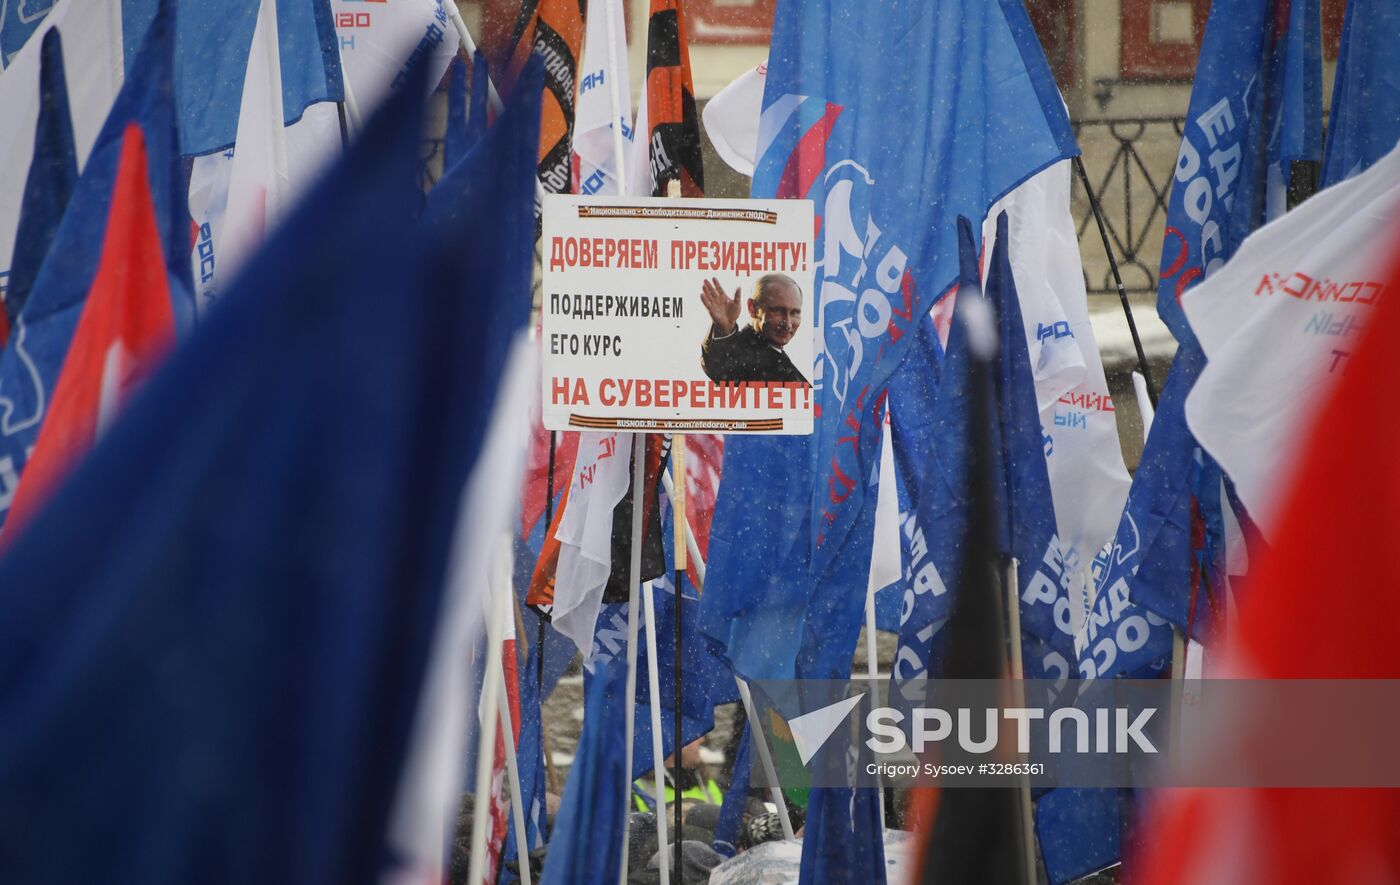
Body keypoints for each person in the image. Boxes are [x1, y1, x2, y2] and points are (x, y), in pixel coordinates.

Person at [699, 274, 810, 385]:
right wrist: (723, 330)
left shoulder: (782, 360)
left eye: (795, 313)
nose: (788, 324)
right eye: (777, 311)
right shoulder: (739, 355)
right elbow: (720, 365)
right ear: (753, 308)